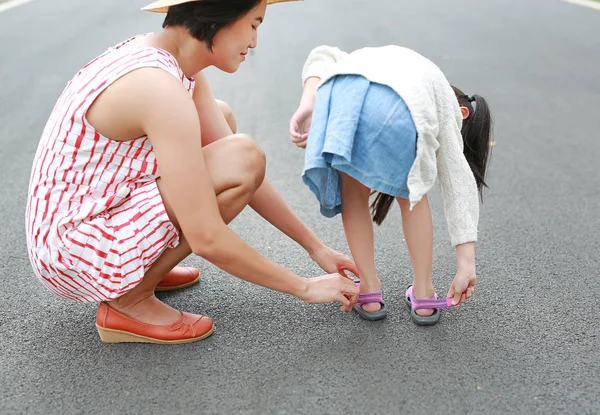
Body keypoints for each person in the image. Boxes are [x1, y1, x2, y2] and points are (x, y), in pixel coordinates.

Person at [25, 0, 360, 345]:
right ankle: (128, 300)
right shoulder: (159, 88)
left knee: (221, 122)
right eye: (254, 24)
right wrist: (304, 287)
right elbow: (207, 236)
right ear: (220, 17)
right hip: (72, 252)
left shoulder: (172, 62)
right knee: (240, 155)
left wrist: (315, 248)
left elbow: (247, 173)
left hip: (85, 220)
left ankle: (142, 269)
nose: (255, 42)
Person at [289, 45, 493, 325]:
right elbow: (458, 181)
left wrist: (308, 101)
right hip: (400, 105)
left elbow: (322, 54)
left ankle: (370, 291)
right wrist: (466, 264)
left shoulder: (396, 62)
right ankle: (423, 294)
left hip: (342, 93)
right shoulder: (441, 98)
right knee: (413, 193)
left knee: (353, 193)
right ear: (462, 113)